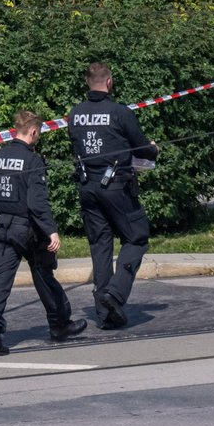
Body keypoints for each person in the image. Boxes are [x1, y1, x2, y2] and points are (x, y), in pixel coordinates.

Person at [0, 110, 88, 356]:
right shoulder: (32, 160)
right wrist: (51, 231)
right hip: (27, 228)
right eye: (38, 133)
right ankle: (60, 324)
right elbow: (37, 202)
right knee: (43, 273)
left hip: (1, 226)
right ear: (33, 131)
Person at [66, 61, 159, 329]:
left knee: (101, 247)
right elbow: (141, 148)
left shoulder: (75, 114)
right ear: (109, 82)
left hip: (87, 188)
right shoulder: (120, 112)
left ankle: (107, 314)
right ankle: (115, 294)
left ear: (87, 82)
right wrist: (153, 150)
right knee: (137, 237)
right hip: (116, 187)